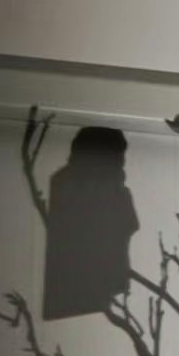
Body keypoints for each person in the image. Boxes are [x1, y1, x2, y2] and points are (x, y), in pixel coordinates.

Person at [42, 126, 138, 320]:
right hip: (80, 290)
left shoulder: (115, 192)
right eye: (118, 156)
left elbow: (130, 224)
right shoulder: (74, 189)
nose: (122, 162)